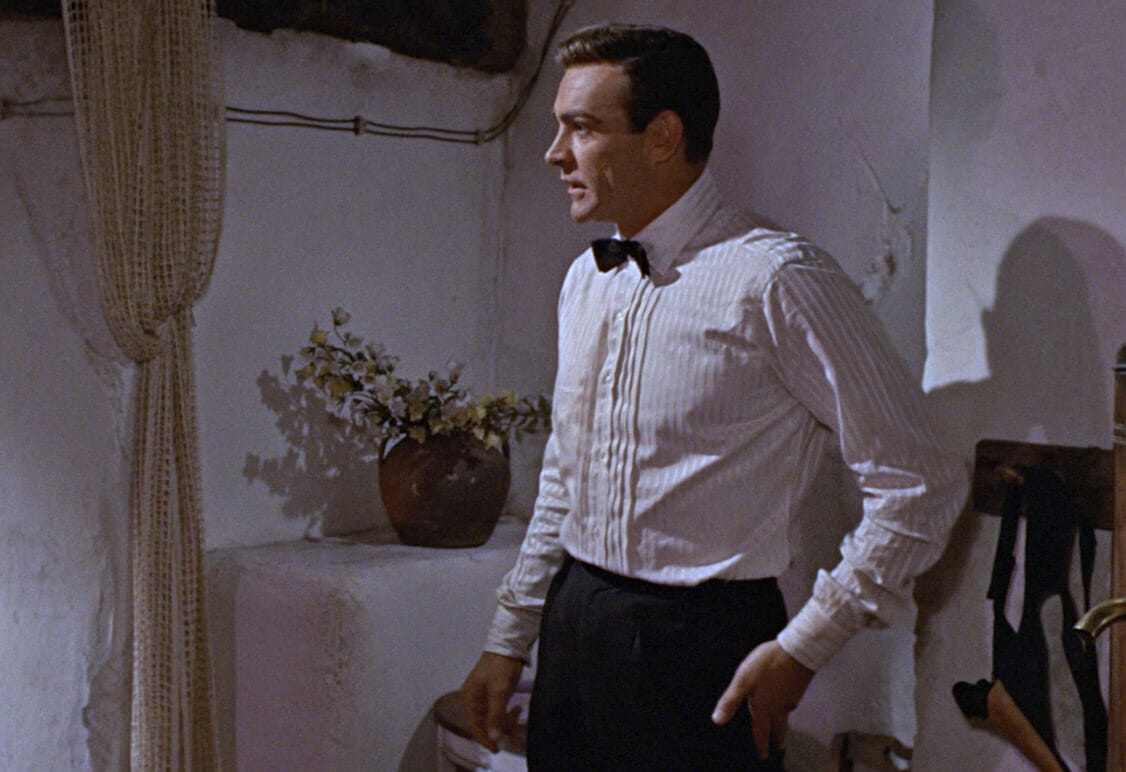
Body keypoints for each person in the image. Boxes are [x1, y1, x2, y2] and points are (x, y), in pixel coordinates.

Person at [461, 22, 967, 771]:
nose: (555, 153)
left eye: (582, 127)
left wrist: (807, 644)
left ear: (662, 137)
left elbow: (922, 479)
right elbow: (566, 474)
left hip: (701, 647)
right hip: (576, 625)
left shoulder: (776, 279)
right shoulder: (586, 280)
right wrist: (510, 637)